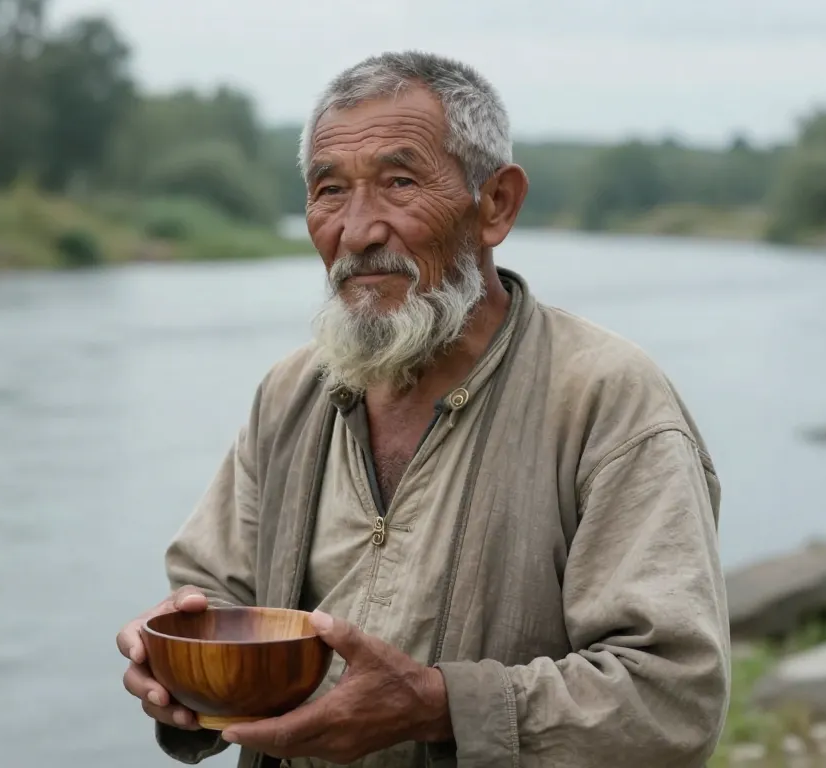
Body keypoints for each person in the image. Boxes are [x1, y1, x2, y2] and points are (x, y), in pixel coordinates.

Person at [115, 50, 730, 768]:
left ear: (495, 204)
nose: (357, 231)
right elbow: (215, 596)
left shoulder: (606, 397)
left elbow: (671, 697)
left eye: (399, 183)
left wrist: (438, 706)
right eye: (329, 190)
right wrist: (177, 657)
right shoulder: (292, 393)